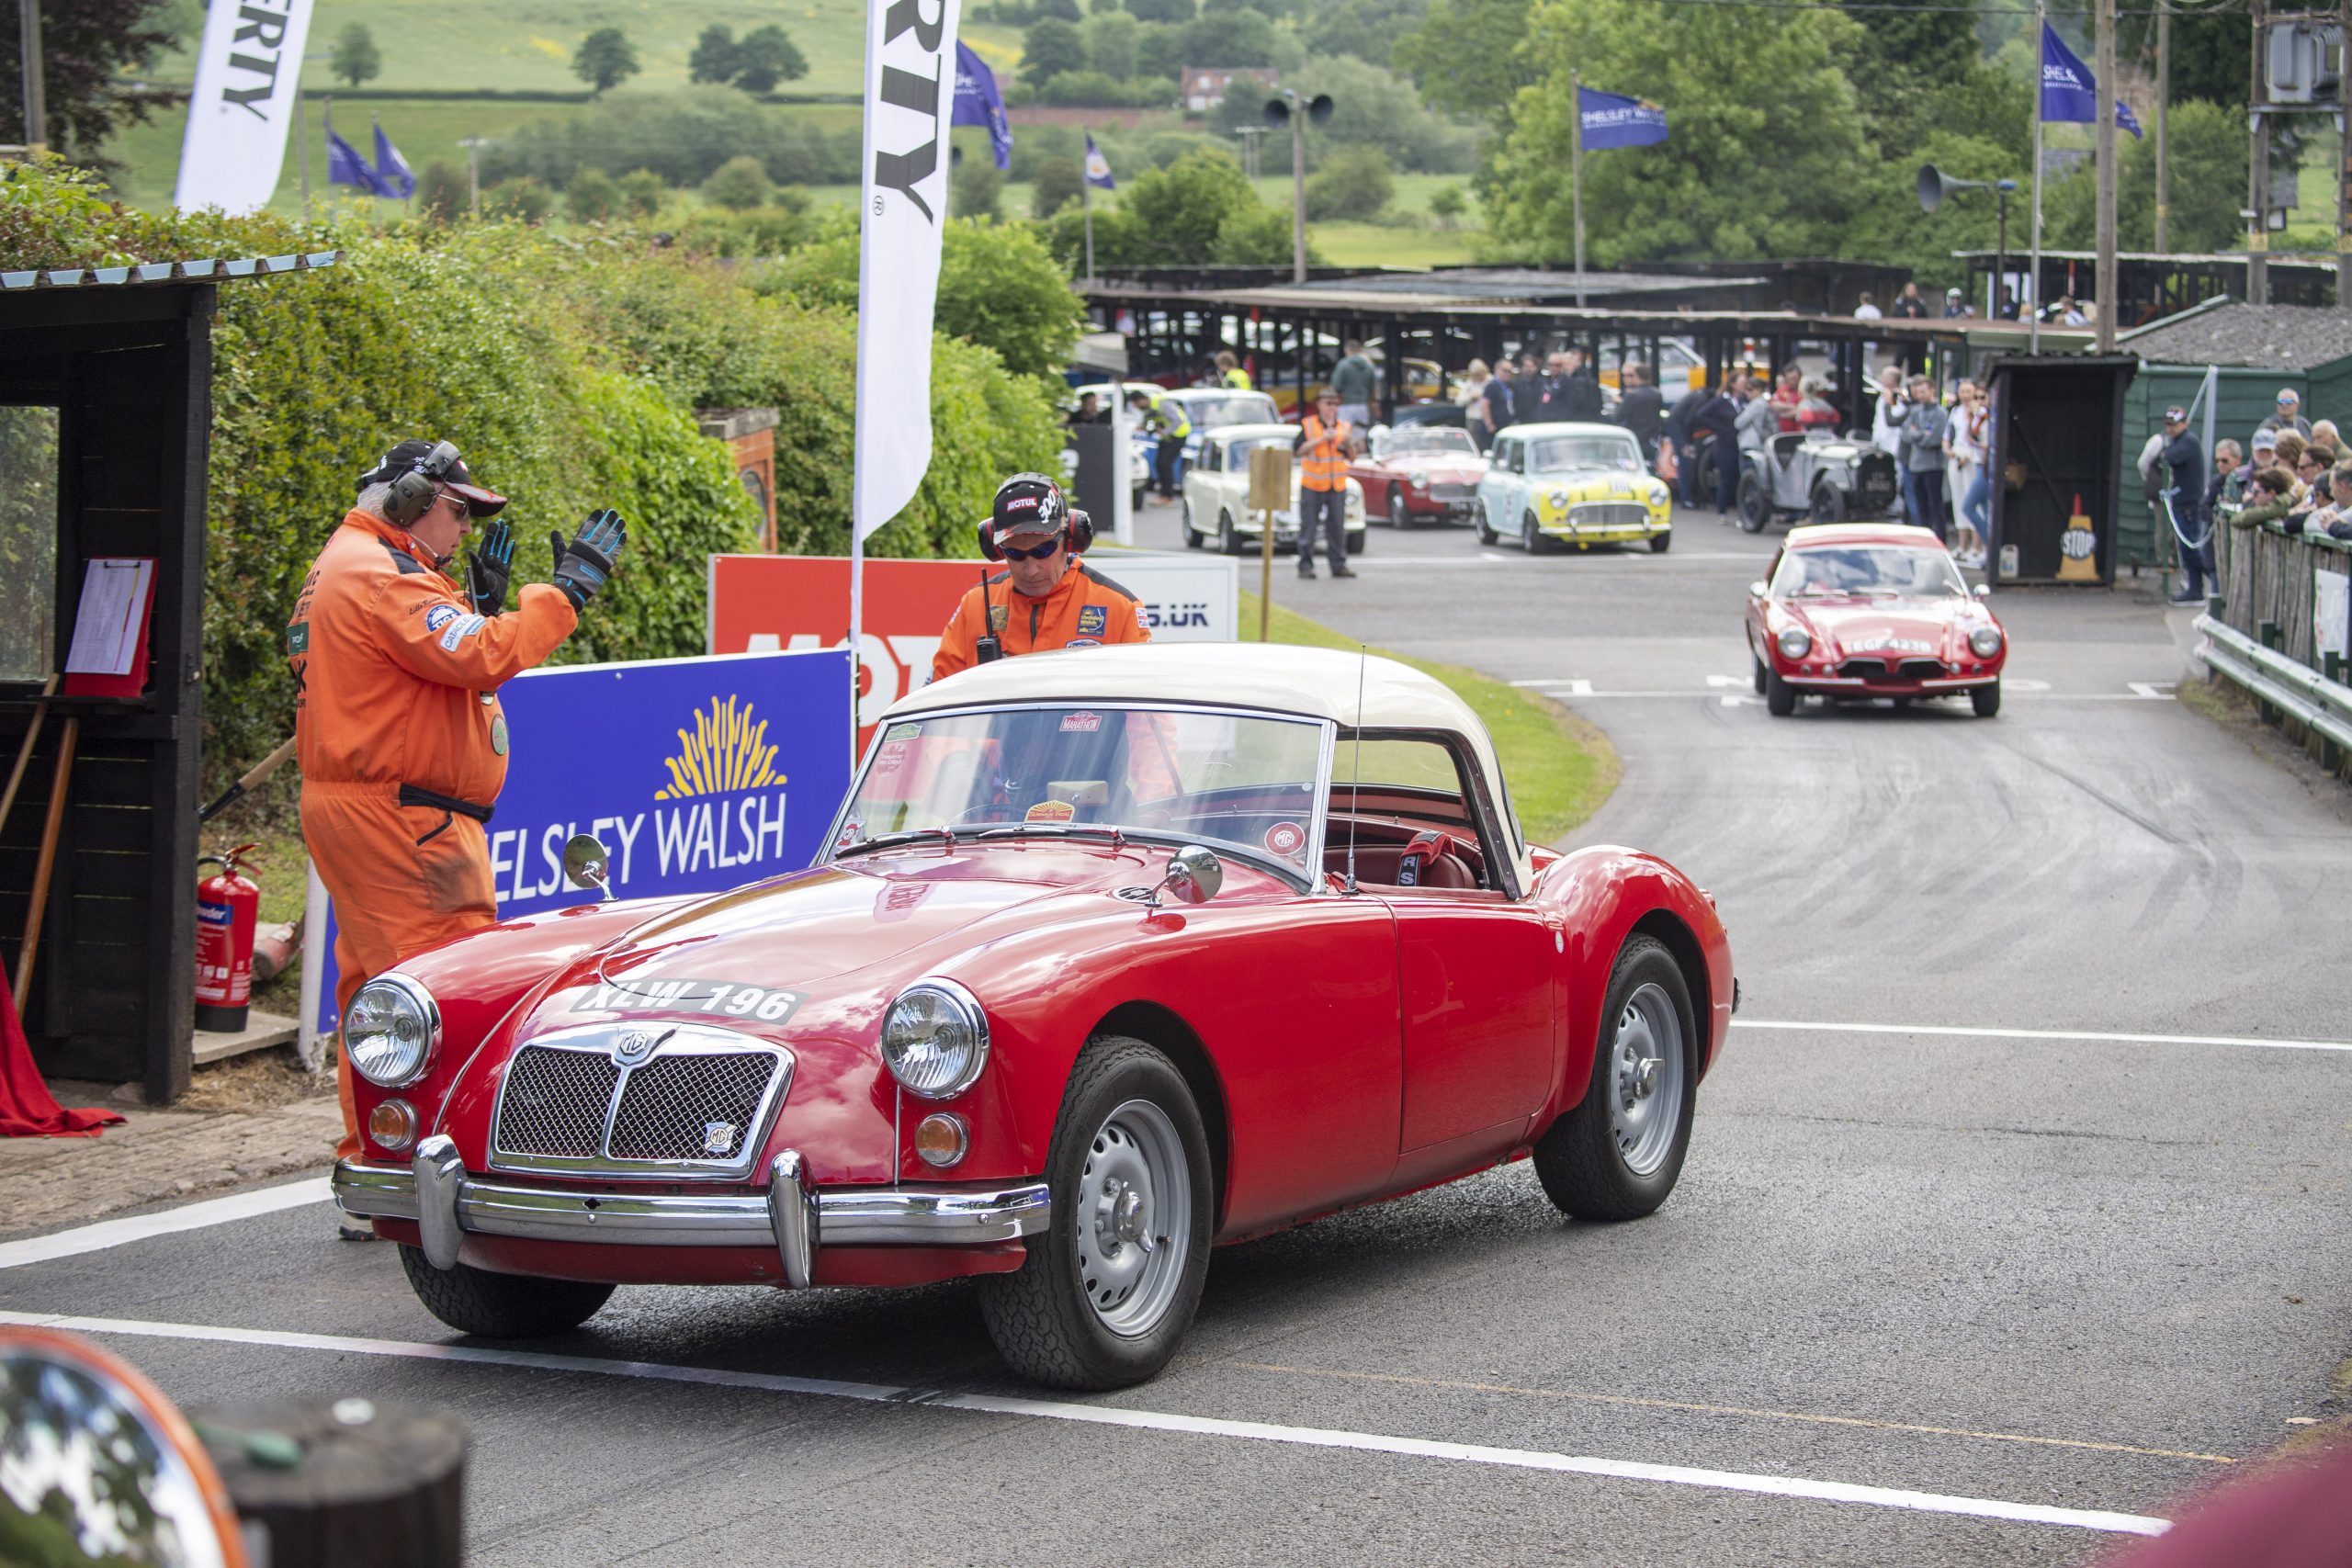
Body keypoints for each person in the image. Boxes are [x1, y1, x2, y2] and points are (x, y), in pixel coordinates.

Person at [289, 439, 623, 1195]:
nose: (466, 528)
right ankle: (427, 1171)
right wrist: (562, 595)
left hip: (374, 809)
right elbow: (480, 658)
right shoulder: (383, 577)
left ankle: (374, 1155)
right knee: (443, 993)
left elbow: (424, 669)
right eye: (458, 510)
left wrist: (475, 602)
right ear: (411, 499)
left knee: (379, 996)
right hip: (402, 820)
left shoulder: (352, 566)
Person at [933, 474, 1148, 680]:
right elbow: (935, 698)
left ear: (1070, 539)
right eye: (1015, 553)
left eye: (1043, 551)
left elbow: (1147, 712)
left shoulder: (1120, 609)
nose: (1031, 570)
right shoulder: (976, 605)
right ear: (998, 550)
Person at [1295, 389, 1357, 580]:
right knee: (1309, 527)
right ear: (1320, 404)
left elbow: (1352, 458)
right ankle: (1306, 565)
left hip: (1336, 485)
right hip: (1313, 484)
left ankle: (1338, 564)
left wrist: (1348, 444)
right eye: (1329, 403)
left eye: (1335, 404)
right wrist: (1323, 439)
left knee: (1337, 527)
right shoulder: (1308, 425)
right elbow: (1298, 450)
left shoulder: (1344, 427)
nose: (1332, 408)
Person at [2156, 405, 2211, 605]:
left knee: (2191, 549)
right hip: (2182, 502)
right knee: (2186, 550)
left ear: (2184, 424)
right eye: (2168, 425)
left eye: (2174, 425)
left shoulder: (2188, 442)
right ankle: (2196, 589)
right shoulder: (2181, 441)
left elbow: (2169, 457)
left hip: (2189, 504)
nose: (2170, 429)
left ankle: (2215, 580)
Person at [1896, 376, 1949, 541]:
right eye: (1917, 392)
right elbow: (1905, 434)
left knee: (1935, 505)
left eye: (1923, 391)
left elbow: (1933, 439)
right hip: (1915, 464)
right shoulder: (1915, 411)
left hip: (1933, 466)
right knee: (1920, 506)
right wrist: (1921, 434)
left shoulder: (1940, 413)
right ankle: (1923, 538)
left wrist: (1917, 434)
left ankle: (1940, 538)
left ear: (1932, 390)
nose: (1920, 395)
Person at [1945, 379, 1986, 568]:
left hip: (1974, 460)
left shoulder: (1982, 414)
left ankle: (1978, 546)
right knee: (1960, 501)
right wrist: (1950, 450)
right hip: (1957, 457)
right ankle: (1963, 545)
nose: (1967, 396)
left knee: (1973, 505)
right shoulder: (1956, 412)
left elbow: (1976, 438)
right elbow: (1950, 435)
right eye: (1963, 392)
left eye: (1971, 392)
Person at [1694, 377, 1742, 517]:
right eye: (1741, 383)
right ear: (1733, 384)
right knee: (1725, 477)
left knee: (1739, 477)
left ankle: (1739, 509)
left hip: (1739, 443)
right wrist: (1718, 428)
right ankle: (1722, 511)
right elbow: (1701, 414)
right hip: (1724, 444)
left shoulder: (1743, 401)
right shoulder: (1720, 401)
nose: (1744, 386)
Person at [1129, 389, 1189, 501]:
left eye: (1136, 405)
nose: (1137, 407)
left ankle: (1167, 496)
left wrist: (1165, 431)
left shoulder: (1161, 402)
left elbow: (1177, 420)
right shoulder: (1151, 407)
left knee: (1164, 464)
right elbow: (1153, 421)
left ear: (1141, 400)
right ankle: (1164, 494)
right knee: (1159, 464)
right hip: (1168, 437)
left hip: (1177, 436)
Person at [1664, 381, 1711, 507]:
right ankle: (1686, 498)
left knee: (1686, 462)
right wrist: (1688, 442)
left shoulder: (1697, 395)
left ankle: (1687, 497)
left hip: (1675, 424)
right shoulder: (1701, 399)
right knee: (1685, 462)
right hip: (1678, 428)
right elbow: (1689, 419)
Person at [1614, 362, 1664, 461]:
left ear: (1637, 376)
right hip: (1652, 439)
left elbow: (1618, 416)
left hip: (1635, 438)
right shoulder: (1657, 394)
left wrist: (1620, 403)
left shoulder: (1632, 395)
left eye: (1630, 375)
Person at [1329, 339, 1378, 426]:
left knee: (1344, 433)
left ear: (1346, 349)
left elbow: (1336, 385)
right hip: (1363, 405)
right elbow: (1372, 387)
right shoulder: (1369, 365)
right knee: (1360, 435)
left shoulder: (1343, 364)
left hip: (1346, 404)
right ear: (1360, 350)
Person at [1554, 347, 1603, 421]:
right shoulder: (1561, 380)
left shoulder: (1580, 382)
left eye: (1567, 363)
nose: (1564, 368)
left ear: (1577, 363)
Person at [1459, 358, 1496, 449]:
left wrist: (1482, 396)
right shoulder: (1469, 383)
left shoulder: (1491, 381)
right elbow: (1459, 401)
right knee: (1473, 444)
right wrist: (1470, 397)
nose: (1477, 377)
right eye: (1474, 375)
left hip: (1487, 418)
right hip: (1472, 419)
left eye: (1479, 374)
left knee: (1486, 445)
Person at [1480, 361, 1515, 446]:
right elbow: (1484, 404)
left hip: (1505, 425)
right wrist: (1489, 424)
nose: (1508, 374)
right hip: (1494, 427)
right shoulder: (1492, 386)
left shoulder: (1509, 386)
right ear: (1497, 370)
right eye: (1505, 371)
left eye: (1510, 371)